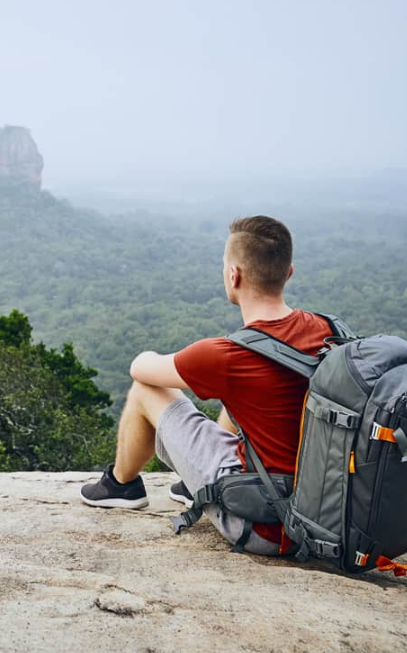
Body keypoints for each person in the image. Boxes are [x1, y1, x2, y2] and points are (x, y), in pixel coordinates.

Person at [79, 215, 334, 555]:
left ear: (234, 275)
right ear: (288, 273)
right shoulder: (327, 330)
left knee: (145, 390)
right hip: (318, 512)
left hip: (264, 526)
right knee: (240, 396)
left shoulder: (229, 355)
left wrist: (151, 355)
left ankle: (120, 486)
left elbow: (139, 368)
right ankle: (192, 484)